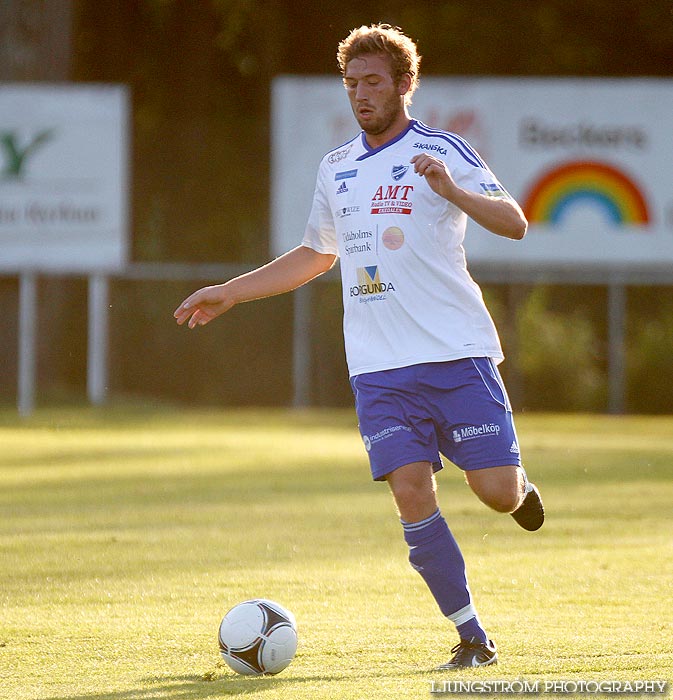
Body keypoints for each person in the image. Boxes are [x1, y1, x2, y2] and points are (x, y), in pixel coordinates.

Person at [174, 23, 544, 670]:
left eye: (373, 81)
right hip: (379, 368)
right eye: (351, 83)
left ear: (404, 84)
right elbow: (317, 254)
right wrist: (231, 291)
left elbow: (513, 223)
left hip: (455, 354)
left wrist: (451, 192)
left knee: (494, 492)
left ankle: (518, 488)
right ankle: (471, 636)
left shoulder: (442, 150)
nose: (360, 94)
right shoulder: (336, 168)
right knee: (409, 489)